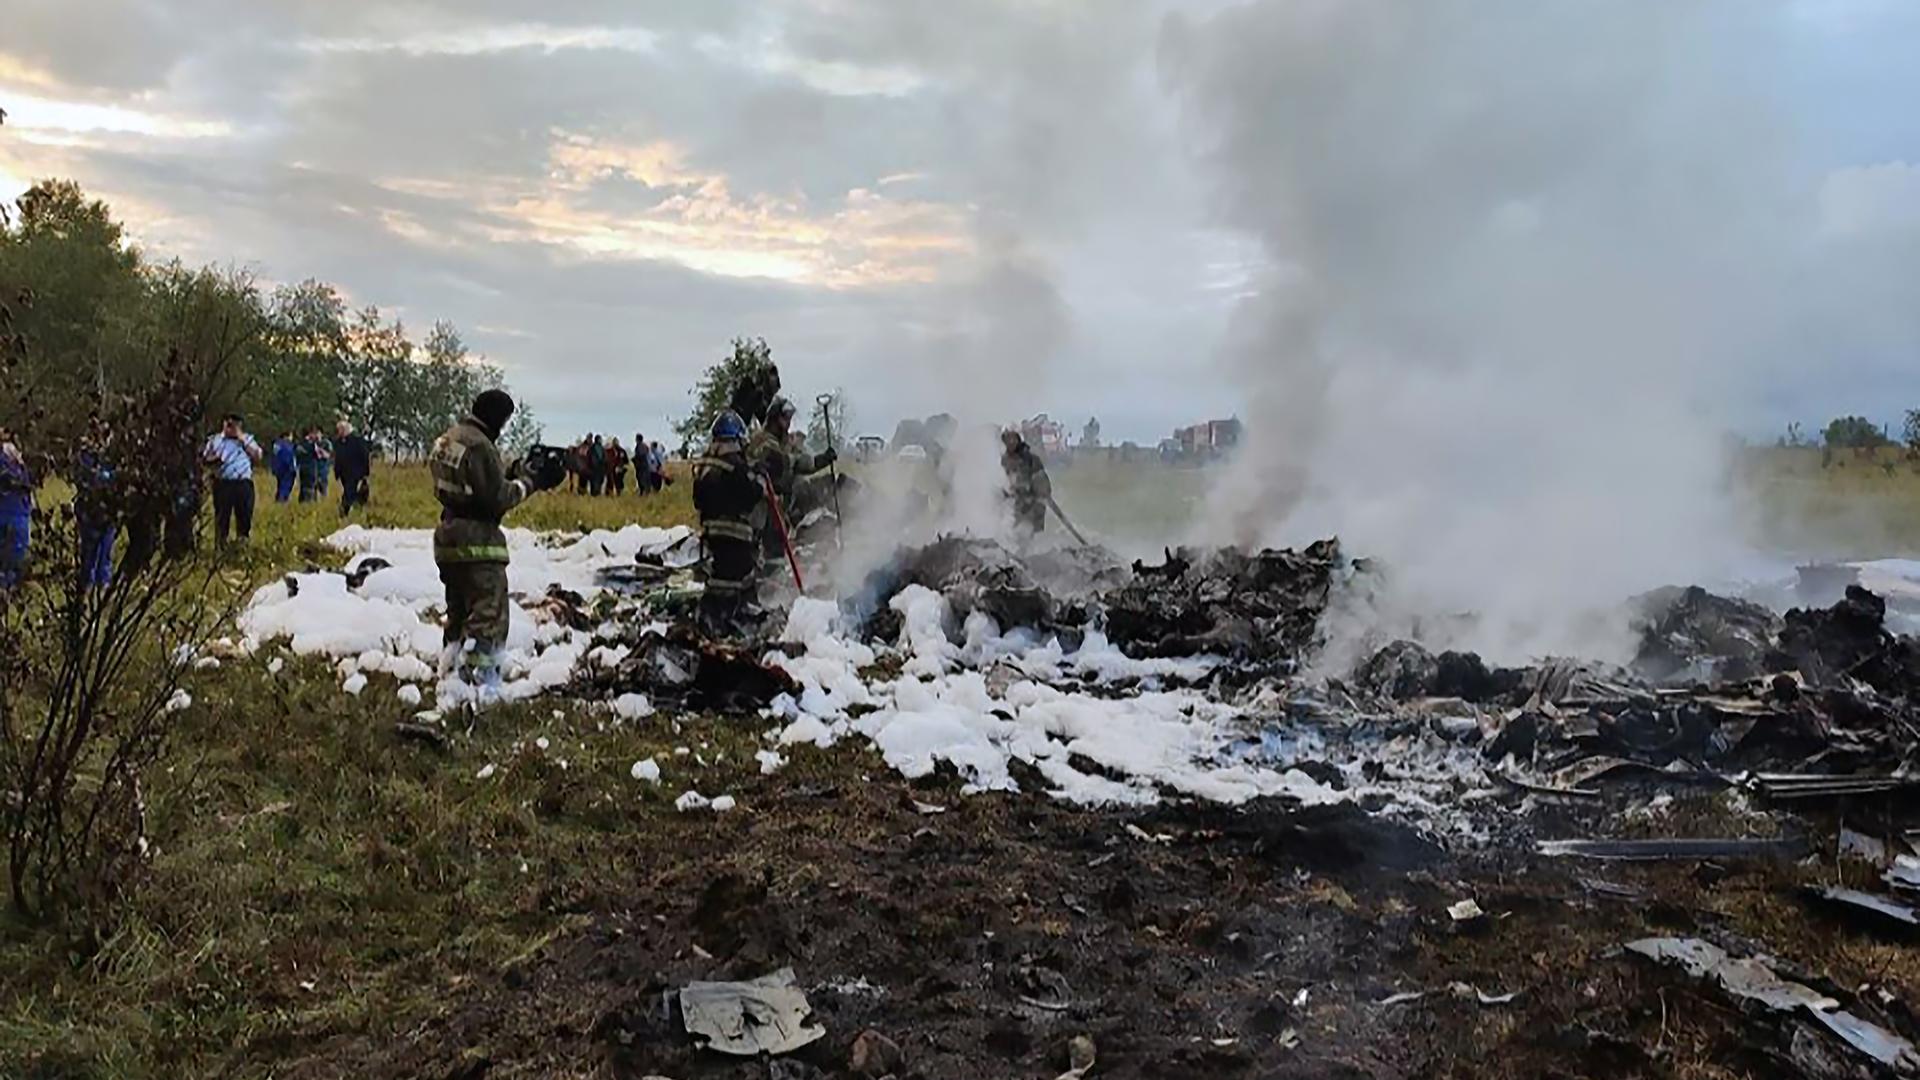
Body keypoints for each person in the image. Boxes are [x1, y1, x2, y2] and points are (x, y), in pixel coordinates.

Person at [429, 389, 558, 691]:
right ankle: (477, 686)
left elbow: (472, 481)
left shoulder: (448, 439)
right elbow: (498, 498)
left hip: (448, 538)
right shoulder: (480, 446)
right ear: (498, 417)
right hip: (478, 542)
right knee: (489, 613)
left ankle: (449, 676)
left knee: (458, 611)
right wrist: (531, 482)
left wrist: (512, 470)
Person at [693, 410, 764, 635]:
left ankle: (713, 617)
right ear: (737, 438)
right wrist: (759, 479)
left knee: (719, 577)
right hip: (735, 533)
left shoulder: (704, 464)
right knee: (737, 579)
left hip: (711, 532)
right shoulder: (735, 464)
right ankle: (729, 620)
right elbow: (750, 496)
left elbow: (698, 500)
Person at [747, 396, 835, 562]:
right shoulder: (763, 441)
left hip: (775, 509)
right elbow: (784, 464)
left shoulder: (783, 443)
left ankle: (771, 583)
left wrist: (821, 460)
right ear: (775, 419)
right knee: (755, 553)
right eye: (785, 419)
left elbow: (799, 461)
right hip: (759, 508)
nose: (787, 424)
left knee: (776, 552)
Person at [202, 413, 262, 545]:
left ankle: (242, 545)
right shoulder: (215, 440)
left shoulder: (248, 439)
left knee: (244, 517)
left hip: (243, 483)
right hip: (223, 483)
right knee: (222, 518)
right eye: (229, 425)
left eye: (235, 425)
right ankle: (221, 547)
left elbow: (257, 457)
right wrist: (214, 460)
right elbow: (205, 459)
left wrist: (241, 439)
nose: (231, 428)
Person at [73, 420, 118, 588]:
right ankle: (86, 585)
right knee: (89, 550)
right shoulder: (85, 455)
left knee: (105, 551)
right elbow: (83, 479)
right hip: (89, 509)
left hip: (108, 510)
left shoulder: (114, 456)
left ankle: (103, 584)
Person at [1001, 429, 1051, 537]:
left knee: (1034, 537)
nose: (1011, 442)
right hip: (1015, 507)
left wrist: (1032, 490)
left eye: (1013, 438)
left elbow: (1043, 483)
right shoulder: (1003, 461)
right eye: (1007, 439)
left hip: (1033, 506)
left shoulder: (1031, 460)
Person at [0, 427, 33, 589]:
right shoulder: (14, 463)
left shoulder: (18, 464)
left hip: (16, 513)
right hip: (13, 514)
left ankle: (8, 587)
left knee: (13, 556)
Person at [333, 420, 372, 516]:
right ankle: (352, 509)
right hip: (344, 474)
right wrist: (337, 472)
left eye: (340, 430)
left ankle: (344, 512)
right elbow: (337, 458)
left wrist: (365, 473)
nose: (338, 432)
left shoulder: (357, 441)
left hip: (356, 473)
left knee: (349, 492)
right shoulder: (338, 443)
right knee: (350, 492)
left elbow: (364, 456)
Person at [295, 427, 322, 502]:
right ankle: (308, 503)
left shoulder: (299, 444)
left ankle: (302, 503)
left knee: (303, 487)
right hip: (311, 469)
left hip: (302, 468)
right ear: (310, 434)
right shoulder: (312, 445)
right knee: (310, 487)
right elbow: (319, 455)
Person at [271, 432, 297, 503]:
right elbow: (288, 459)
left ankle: (279, 500)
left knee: (280, 486)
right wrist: (293, 469)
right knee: (285, 487)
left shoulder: (277, 445)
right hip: (287, 470)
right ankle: (282, 501)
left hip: (278, 469)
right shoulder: (287, 446)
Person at [314, 429, 334, 497]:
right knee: (314, 487)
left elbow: (329, 455)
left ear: (321, 434)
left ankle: (324, 501)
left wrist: (320, 450)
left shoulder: (326, 443)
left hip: (323, 468)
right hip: (314, 468)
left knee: (323, 487)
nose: (316, 435)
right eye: (315, 433)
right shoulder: (312, 443)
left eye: (318, 433)